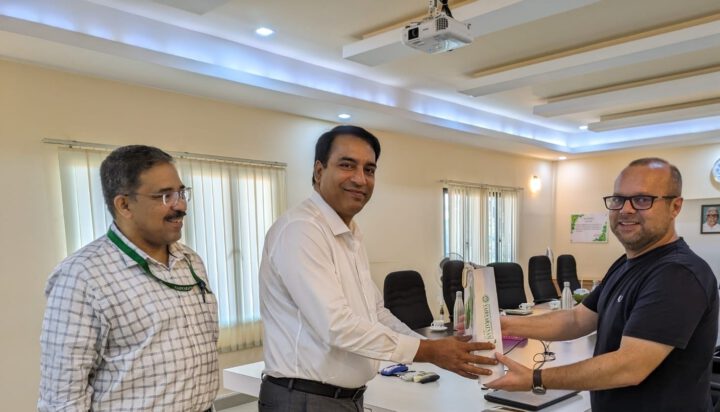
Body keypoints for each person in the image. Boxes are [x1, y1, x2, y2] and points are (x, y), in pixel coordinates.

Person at [258, 125, 497, 411]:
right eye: (347, 165)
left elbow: (376, 313)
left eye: (369, 170)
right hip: (304, 399)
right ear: (319, 171)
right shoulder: (301, 230)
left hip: (344, 399)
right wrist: (428, 350)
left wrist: (433, 349)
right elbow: (337, 326)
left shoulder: (349, 234)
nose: (360, 179)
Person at [487, 158, 718, 411]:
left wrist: (535, 378)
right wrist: (505, 324)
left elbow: (629, 366)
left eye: (642, 200)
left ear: (675, 207)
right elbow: (577, 319)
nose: (626, 209)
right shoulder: (626, 264)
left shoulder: (677, 274)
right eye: (618, 199)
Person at [39, 146, 218, 411]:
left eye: (181, 193)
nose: (180, 205)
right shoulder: (81, 277)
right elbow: (62, 398)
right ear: (124, 205)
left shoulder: (190, 262)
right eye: (165, 196)